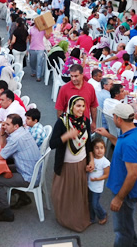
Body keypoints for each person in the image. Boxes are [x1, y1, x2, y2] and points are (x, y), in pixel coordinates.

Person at [95, 104, 137, 247]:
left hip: (125, 193)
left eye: (113, 116)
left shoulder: (129, 142)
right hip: (128, 191)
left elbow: (132, 174)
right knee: (127, 225)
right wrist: (109, 136)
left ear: (118, 119)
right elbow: (122, 147)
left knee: (122, 231)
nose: (113, 118)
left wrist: (119, 198)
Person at [50, 96, 94, 232]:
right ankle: (65, 217)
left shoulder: (85, 121)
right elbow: (52, 144)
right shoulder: (62, 122)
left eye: (83, 106)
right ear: (71, 107)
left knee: (78, 193)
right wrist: (66, 136)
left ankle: (78, 218)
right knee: (63, 192)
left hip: (81, 162)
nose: (81, 109)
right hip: (66, 164)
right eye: (78, 106)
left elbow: (88, 144)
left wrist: (91, 159)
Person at [0, 114, 40, 221]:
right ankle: (23, 197)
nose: (4, 126)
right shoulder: (23, 131)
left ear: (16, 126)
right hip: (31, 170)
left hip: (28, 176)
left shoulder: (15, 139)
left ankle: (6, 212)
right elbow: (4, 148)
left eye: (8, 124)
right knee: (1, 169)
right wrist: (3, 133)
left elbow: (2, 155)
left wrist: (2, 134)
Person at [88, 138, 110, 225]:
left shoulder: (105, 162)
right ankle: (91, 218)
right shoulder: (92, 159)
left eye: (102, 148)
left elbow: (107, 174)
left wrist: (98, 179)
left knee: (95, 204)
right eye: (97, 148)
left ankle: (103, 215)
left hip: (97, 187)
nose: (99, 150)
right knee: (90, 202)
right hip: (89, 185)